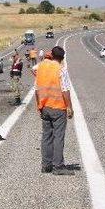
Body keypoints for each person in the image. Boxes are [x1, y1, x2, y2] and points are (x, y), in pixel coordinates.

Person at [35, 46, 74, 175]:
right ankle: (58, 166)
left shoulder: (41, 67)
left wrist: (39, 106)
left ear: (51, 55)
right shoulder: (61, 70)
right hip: (58, 107)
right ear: (62, 59)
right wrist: (69, 107)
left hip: (44, 107)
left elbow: (37, 89)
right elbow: (65, 90)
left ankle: (46, 165)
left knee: (46, 136)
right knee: (58, 137)